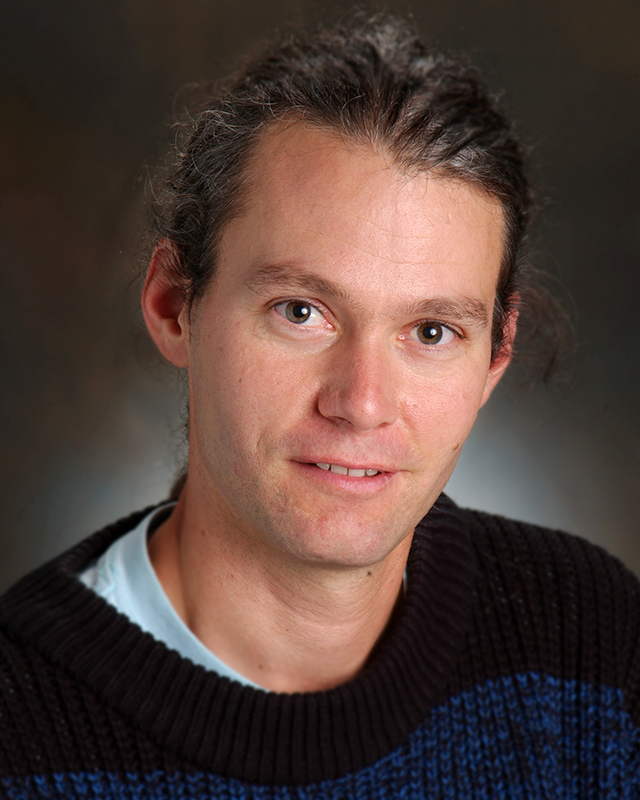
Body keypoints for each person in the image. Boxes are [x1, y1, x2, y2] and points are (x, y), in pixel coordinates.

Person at [1, 15, 638, 799]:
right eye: (301, 312)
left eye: (431, 332)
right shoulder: (18, 729)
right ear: (173, 306)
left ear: (494, 357)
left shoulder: (590, 647)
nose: (362, 403)